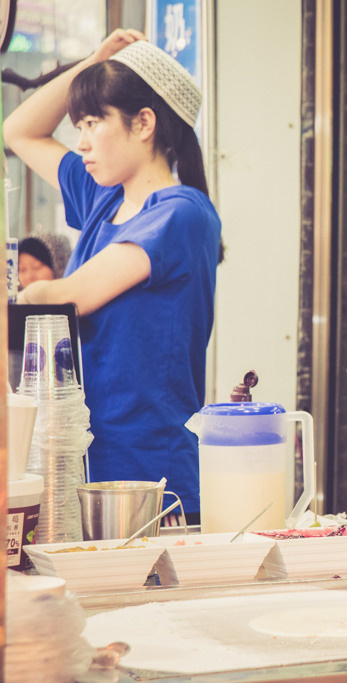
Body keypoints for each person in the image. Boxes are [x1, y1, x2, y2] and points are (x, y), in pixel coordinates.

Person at [4, 30, 222, 526]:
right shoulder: (103, 199)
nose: (80, 142)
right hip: (82, 466)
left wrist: (24, 291)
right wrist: (91, 63)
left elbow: (65, 297)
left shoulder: (182, 212)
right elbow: (17, 132)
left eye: (93, 122)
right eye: (78, 123)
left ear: (143, 123)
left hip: (151, 476)